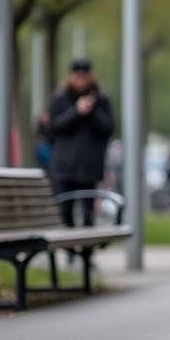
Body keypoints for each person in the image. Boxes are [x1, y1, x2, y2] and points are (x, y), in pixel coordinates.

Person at [47, 58, 115, 251]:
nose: (81, 79)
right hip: (65, 165)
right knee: (65, 210)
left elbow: (108, 128)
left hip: (89, 165)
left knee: (88, 213)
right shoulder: (60, 99)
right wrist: (77, 111)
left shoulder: (100, 100)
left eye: (84, 75)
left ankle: (86, 254)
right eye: (77, 75)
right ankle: (69, 251)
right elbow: (54, 127)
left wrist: (90, 111)